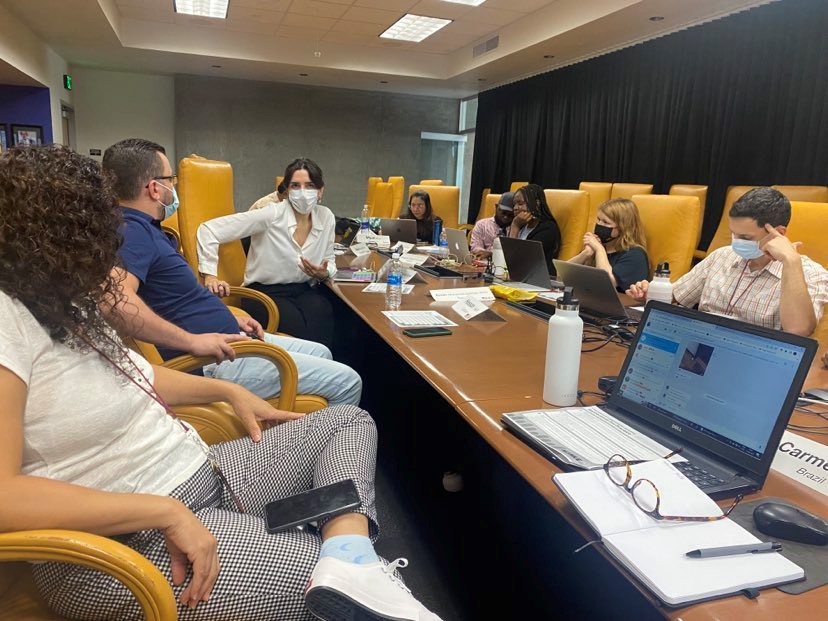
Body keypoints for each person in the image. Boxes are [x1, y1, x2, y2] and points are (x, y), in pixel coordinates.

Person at [0, 144, 442, 621]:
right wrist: (163, 512)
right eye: (95, 219)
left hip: (200, 470)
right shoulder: (8, 318)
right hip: (120, 539)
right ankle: (343, 562)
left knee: (347, 422)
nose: (109, 232)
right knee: (342, 592)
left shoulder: (68, 299)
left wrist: (228, 390)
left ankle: (348, 553)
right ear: (48, 231)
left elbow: (140, 375)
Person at [101, 139, 361, 407]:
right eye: (171, 179)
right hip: (216, 360)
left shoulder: (148, 228)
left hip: (231, 336)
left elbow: (176, 299)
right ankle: (306, 444)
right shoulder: (133, 232)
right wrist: (191, 341)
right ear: (155, 188)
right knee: (349, 380)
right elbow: (114, 301)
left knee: (323, 351)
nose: (174, 186)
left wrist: (228, 317)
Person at [627, 187, 828, 336]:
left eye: (746, 238)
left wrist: (791, 262)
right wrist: (650, 293)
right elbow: (677, 297)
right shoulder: (721, 256)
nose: (737, 243)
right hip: (697, 346)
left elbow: (798, 331)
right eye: (734, 234)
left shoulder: (811, 273)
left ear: (779, 233)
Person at [197, 158, 336, 348]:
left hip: (302, 290)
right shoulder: (271, 214)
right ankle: (304, 372)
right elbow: (209, 230)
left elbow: (330, 260)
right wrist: (210, 275)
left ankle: (327, 371)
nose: (303, 193)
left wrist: (324, 273)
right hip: (264, 293)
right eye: (296, 186)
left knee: (327, 313)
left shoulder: (326, 217)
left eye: (310, 185)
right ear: (286, 190)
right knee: (304, 330)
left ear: (320, 191)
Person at [567, 198, 650, 291]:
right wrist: (586, 253)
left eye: (606, 222)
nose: (599, 224)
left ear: (623, 228)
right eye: (598, 219)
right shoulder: (597, 245)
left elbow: (607, 283)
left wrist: (599, 249)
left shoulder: (635, 254)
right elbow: (562, 274)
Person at [507, 184, 561, 273]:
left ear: (537, 203)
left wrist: (515, 227)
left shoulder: (548, 229)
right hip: (519, 277)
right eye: (514, 204)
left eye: (520, 203)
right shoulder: (522, 225)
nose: (515, 208)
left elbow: (517, 262)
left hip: (537, 281)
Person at [470, 191, 515, 257]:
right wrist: (483, 252)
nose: (506, 217)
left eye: (510, 215)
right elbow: (475, 247)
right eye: (504, 213)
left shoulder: (516, 229)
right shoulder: (482, 225)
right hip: (483, 262)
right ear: (496, 207)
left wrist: (491, 254)